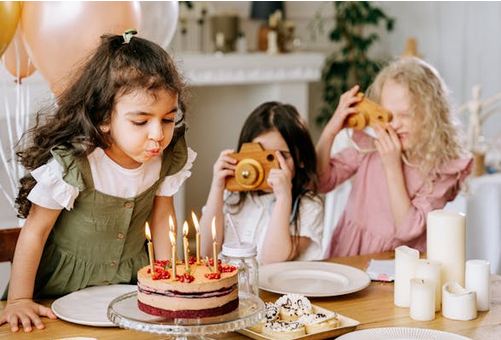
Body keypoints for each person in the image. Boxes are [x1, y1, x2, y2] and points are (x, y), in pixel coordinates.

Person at [0, 31, 196, 332]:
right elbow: (35, 232)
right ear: (104, 117)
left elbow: (161, 219)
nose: (158, 134)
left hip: (128, 288)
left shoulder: (165, 160)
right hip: (59, 292)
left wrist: (166, 279)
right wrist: (18, 300)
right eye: (141, 121)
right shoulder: (73, 165)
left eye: (168, 119)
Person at [316, 57, 472, 257]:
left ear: (431, 115)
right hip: (350, 254)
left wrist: (392, 166)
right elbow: (320, 182)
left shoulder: (440, 169)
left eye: (406, 115)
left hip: (397, 265)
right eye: (388, 115)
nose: (395, 124)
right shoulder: (371, 145)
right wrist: (331, 129)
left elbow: (407, 229)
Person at [200, 102, 323, 265]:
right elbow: (206, 252)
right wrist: (217, 187)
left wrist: (284, 198)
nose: (268, 168)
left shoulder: (308, 206)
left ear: (300, 158)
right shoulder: (232, 196)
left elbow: (271, 261)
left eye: (280, 156)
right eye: (259, 156)